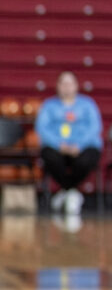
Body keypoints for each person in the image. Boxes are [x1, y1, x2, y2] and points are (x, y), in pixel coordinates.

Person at [35, 70, 103, 216]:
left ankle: (66, 192)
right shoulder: (49, 105)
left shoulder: (87, 104)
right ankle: (71, 193)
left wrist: (78, 145)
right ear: (58, 86)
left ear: (76, 86)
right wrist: (60, 145)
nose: (66, 87)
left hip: (83, 147)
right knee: (49, 156)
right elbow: (42, 128)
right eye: (63, 83)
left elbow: (95, 127)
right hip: (57, 147)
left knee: (86, 160)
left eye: (70, 83)